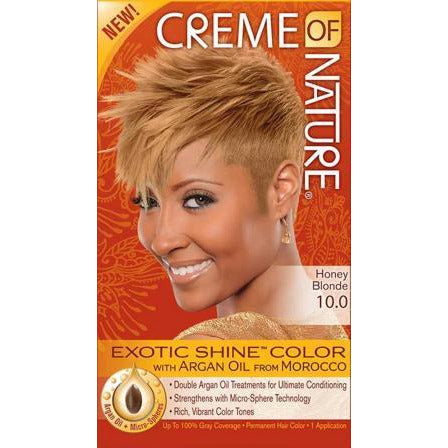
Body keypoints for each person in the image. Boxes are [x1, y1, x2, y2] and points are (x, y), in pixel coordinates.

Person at [102, 43, 347, 340]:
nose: (162, 240)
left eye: (197, 200)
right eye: (148, 201)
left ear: (281, 190)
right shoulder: (326, 331)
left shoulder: (205, 350)